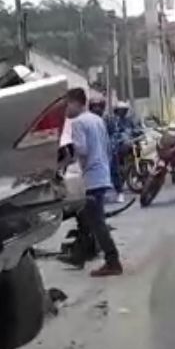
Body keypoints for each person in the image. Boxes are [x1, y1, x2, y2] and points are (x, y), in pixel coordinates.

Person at [62, 88, 123, 277]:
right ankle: (97, 255)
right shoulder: (97, 120)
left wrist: (66, 155)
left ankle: (112, 261)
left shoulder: (78, 123)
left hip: (92, 177)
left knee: (97, 223)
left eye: (67, 105)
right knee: (93, 219)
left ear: (77, 103)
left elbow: (82, 149)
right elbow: (106, 146)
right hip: (102, 173)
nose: (65, 110)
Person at [105, 101, 141, 196]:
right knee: (115, 160)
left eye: (124, 110)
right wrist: (119, 138)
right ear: (116, 111)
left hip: (131, 143)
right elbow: (112, 134)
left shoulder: (129, 120)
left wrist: (139, 132)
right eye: (120, 110)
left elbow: (136, 129)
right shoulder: (114, 121)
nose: (122, 112)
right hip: (118, 145)